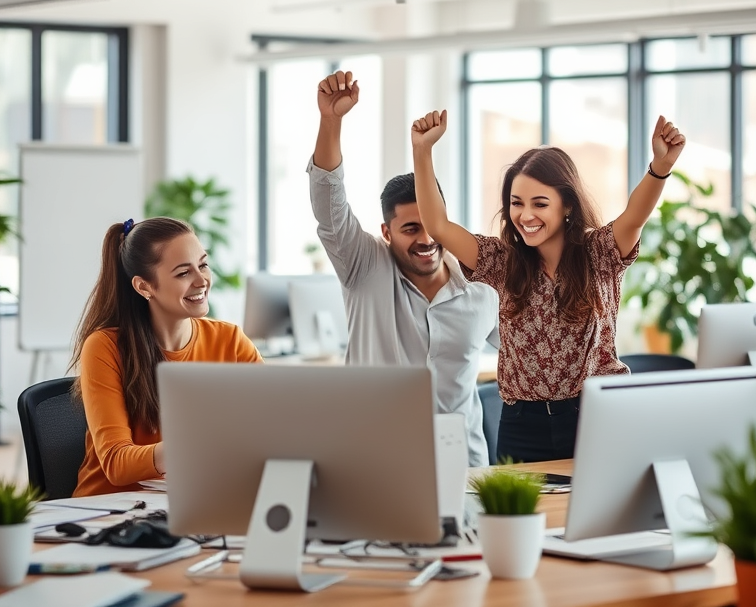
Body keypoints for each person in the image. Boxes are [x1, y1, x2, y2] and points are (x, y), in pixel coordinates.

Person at [411, 109, 686, 463]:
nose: (526, 216)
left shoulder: (599, 252)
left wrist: (659, 167)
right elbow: (437, 225)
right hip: (521, 425)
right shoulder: (502, 259)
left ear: (567, 205)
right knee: (523, 516)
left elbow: (635, 215)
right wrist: (422, 150)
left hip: (594, 417)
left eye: (540, 204)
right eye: (516, 203)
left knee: (593, 517)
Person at [308, 70, 499, 466]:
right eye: (411, 229)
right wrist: (331, 121)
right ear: (386, 231)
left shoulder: (482, 285)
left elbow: (523, 345)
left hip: (463, 467)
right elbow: (330, 205)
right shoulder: (364, 265)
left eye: (432, 225)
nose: (426, 240)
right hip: (376, 460)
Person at [70, 217, 262, 497]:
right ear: (144, 287)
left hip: (190, 497)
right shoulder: (105, 346)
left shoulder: (229, 340)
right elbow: (116, 463)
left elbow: (272, 425)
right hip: (107, 511)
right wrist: (196, 446)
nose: (202, 280)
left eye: (203, 265)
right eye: (184, 273)